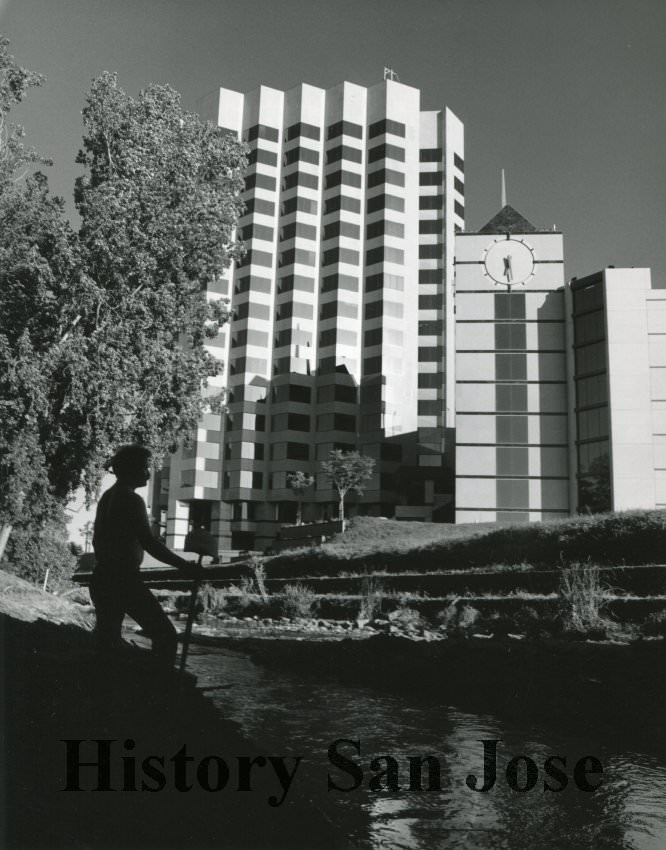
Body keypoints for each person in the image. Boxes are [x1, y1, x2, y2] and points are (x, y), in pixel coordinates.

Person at [90, 443, 199, 668]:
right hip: (124, 580)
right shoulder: (132, 500)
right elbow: (149, 542)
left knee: (108, 642)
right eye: (145, 467)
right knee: (166, 636)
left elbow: (98, 541)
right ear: (133, 469)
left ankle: (108, 692)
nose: (149, 473)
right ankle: (158, 693)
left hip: (102, 577)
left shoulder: (108, 496)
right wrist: (184, 567)